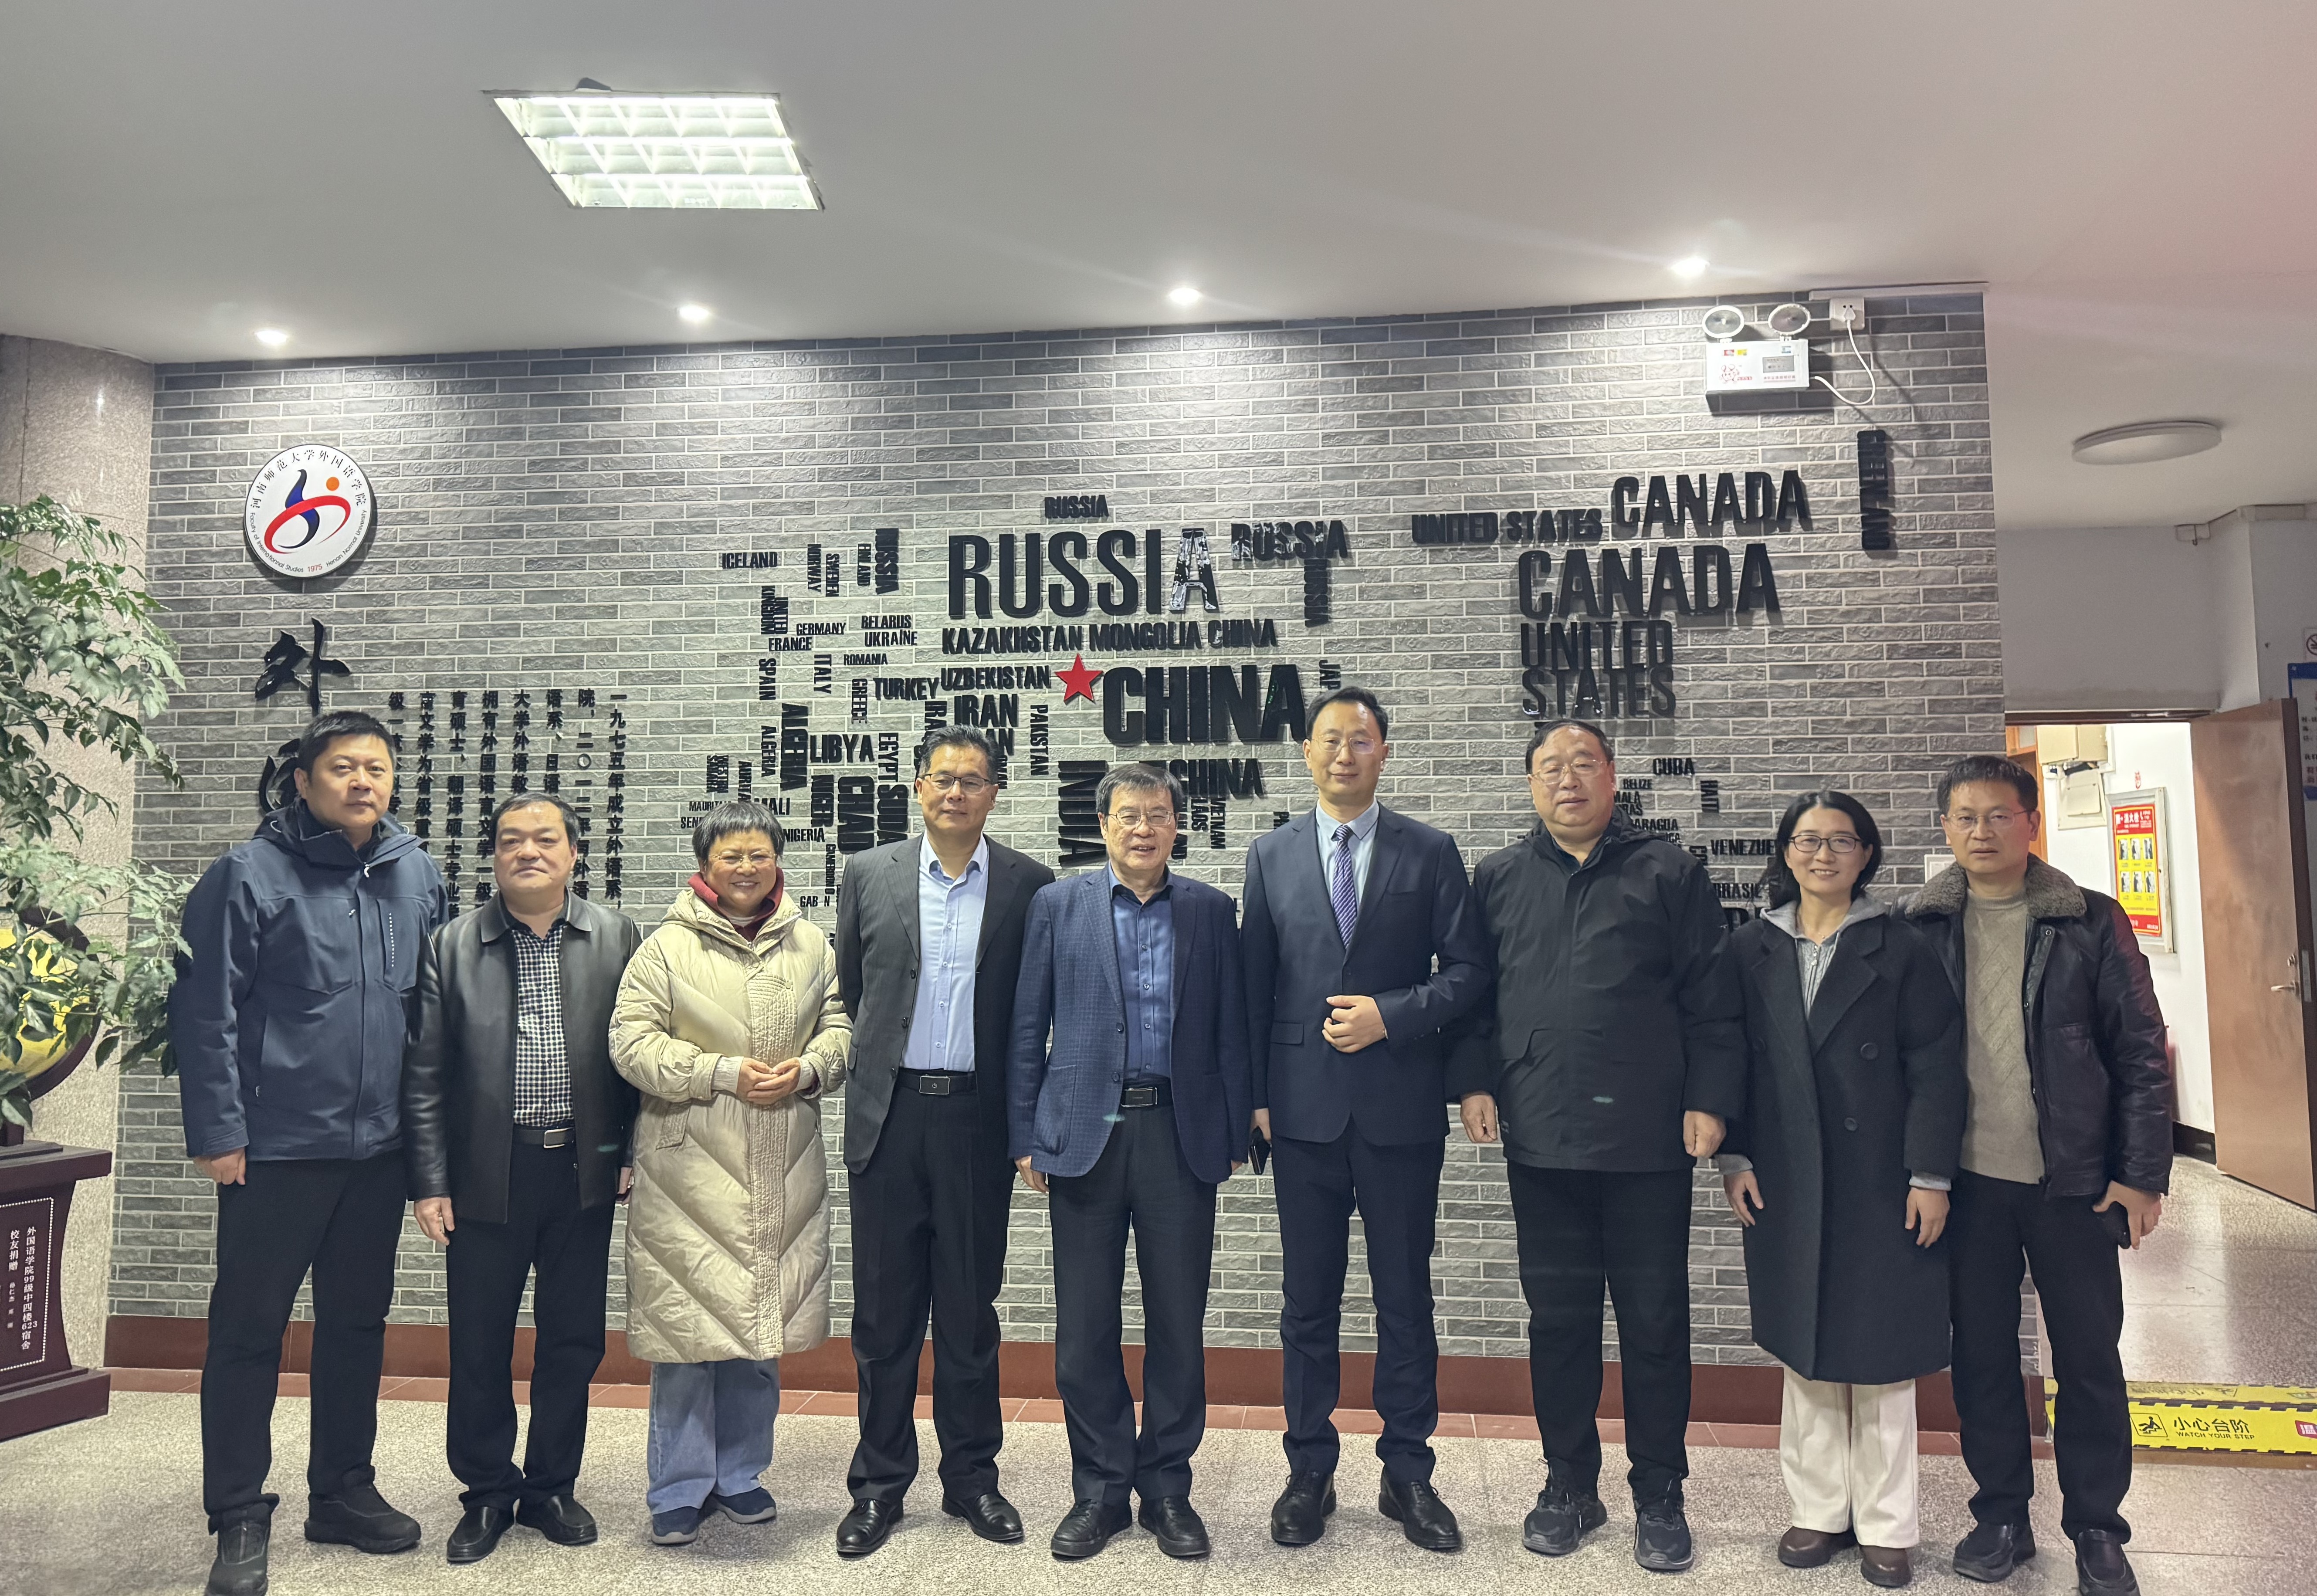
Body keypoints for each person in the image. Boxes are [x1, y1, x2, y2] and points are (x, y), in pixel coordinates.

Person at [1450, 717, 1742, 1575]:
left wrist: (1710, 1098)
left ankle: (1660, 1491)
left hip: (1649, 1137)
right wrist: (1473, 1082)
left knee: (1654, 1321)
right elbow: (1475, 996)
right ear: (1530, 784)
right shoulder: (1499, 877)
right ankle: (1569, 1484)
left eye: (1583, 763)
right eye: (1549, 767)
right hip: (1541, 1137)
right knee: (1559, 1323)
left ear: (1613, 777)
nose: (1567, 779)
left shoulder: (1668, 870)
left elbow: (1712, 997)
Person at [170, 709, 449, 1596]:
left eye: (377, 768)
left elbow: (430, 1021)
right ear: (303, 780)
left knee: (357, 1325)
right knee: (249, 1331)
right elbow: (204, 1010)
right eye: (342, 767)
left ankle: (343, 1489)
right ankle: (238, 1511)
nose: (362, 781)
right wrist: (220, 1131)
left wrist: (428, 1149)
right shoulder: (247, 874)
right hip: (277, 1148)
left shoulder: (416, 873)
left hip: (378, 1149)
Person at [1905, 756, 2171, 1596]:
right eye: (1964, 817)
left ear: (2030, 824)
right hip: (1967, 1185)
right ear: (1944, 829)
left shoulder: (2088, 920)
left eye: (1998, 815)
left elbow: (2139, 1051)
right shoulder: (1920, 926)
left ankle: (2096, 1527)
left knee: (2088, 1358)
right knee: (1981, 1356)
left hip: (2075, 1185)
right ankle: (2000, 1516)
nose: (1980, 831)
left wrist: (2141, 1174)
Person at [1240, 685, 1493, 1552]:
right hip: (1301, 1111)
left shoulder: (1430, 850)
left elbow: (1468, 972)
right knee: (1307, 1303)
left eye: (1361, 739)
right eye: (1329, 739)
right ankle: (1308, 1468)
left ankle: (1407, 1471)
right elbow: (1255, 984)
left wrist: (1392, 1013)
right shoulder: (1270, 854)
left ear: (1385, 752)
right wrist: (1256, 1097)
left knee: (1404, 1299)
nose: (1344, 753)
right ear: (1306, 752)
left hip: (1399, 1109)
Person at [1718, 791, 1965, 1589]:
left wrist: (1930, 1175)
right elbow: (1732, 1058)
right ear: (1784, 852)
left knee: (1881, 1354)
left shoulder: (1902, 945)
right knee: (1808, 1348)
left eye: (1840, 841)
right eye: (1806, 840)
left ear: (1866, 855)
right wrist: (1734, 1157)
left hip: (1882, 1178)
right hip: (1784, 1173)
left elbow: (1937, 1067)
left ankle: (1888, 1525)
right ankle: (1818, 1510)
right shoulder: (1750, 946)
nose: (1822, 855)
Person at [1007, 763, 1252, 1561]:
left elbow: (1231, 1028)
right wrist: (1024, 1134)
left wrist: (1235, 1129)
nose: (1142, 828)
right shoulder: (1058, 906)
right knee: (1084, 1328)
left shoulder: (1210, 911)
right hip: (1085, 1137)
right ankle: (1101, 1491)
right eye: (1127, 815)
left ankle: (1168, 1489)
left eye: (1157, 815)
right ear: (1103, 825)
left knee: (1178, 1324)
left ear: (1176, 826)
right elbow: (1027, 1026)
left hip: (1179, 1135)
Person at [402, 792, 644, 1563]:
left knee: (572, 1341)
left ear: (574, 853)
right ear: (495, 856)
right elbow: (424, 1075)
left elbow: (637, 1057)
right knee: (480, 1342)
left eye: (544, 839)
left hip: (582, 1171)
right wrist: (429, 1181)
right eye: (511, 841)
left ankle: (550, 1487)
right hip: (485, 1172)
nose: (527, 852)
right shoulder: (451, 945)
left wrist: (631, 1151)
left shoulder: (616, 936)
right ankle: (485, 1491)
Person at [832, 726, 1056, 1557]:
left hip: (975, 1123)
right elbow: (854, 986)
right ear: (919, 788)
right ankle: (879, 1485)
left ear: (994, 793)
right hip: (889, 1119)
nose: (956, 792)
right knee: (883, 1318)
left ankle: (971, 1480)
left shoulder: (1031, 885)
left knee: (967, 1314)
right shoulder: (869, 873)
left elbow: (1034, 1012)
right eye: (942, 778)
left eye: (972, 780)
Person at [609, 801, 853, 1547]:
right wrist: (718, 1072)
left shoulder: (810, 943)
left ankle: (741, 1474)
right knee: (687, 1333)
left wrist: (809, 1069)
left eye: (759, 855)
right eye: (731, 856)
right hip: (689, 1165)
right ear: (704, 865)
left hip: (782, 1159)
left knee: (758, 1328)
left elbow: (841, 1027)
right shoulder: (665, 947)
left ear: (777, 861)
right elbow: (629, 1043)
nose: (746, 868)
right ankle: (678, 1487)